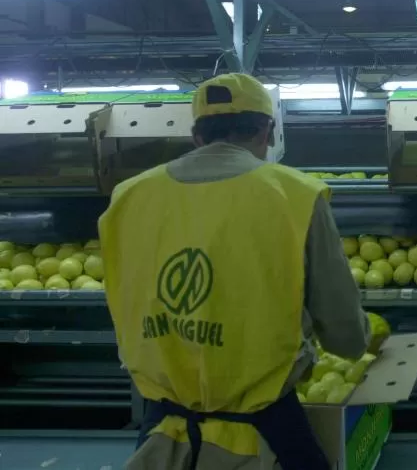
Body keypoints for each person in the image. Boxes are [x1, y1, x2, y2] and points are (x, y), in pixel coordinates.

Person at [99, 73, 370, 470]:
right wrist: (358, 343)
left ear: (196, 136)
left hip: (163, 429)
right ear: (269, 131)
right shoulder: (294, 195)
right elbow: (342, 328)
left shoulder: (128, 198)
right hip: (265, 431)